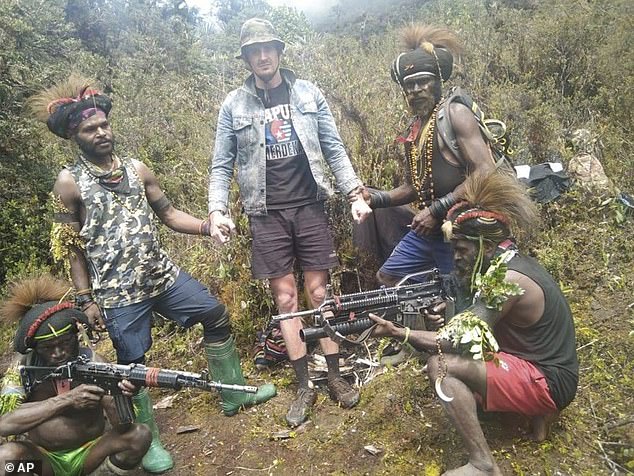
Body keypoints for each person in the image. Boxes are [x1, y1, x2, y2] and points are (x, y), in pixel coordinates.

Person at [29, 75, 276, 473]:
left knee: (214, 313)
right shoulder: (69, 183)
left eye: (104, 125)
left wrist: (208, 226)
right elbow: (71, 249)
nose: (101, 133)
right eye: (91, 130)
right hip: (118, 293)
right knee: (133, 367)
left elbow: (169, 214)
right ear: (75, 136)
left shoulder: (137, 168)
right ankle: (148, 442)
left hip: (161, 276)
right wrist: (85, 300)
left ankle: (234, 395)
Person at [207, 18, 373, 428]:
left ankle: (334, 374)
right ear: (246, 58)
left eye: (269, 48)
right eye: (254, 51)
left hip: (309, 206)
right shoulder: (234, 105)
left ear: (280, 52)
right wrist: (216, 210)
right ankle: (304, 385)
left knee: (320, 292)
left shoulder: (307, 93)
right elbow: (220, 165)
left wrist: (354, 194)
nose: (262, 56)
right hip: (266, 214)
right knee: (285, 301)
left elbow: (334, 148)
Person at [369, 171, 579, 475]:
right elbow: (475, 329)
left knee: (441, 366)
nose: (455, 258)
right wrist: (445, 316)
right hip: (543, 369)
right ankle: (536, 415)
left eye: (461, 250)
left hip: (549, 382)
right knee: (457, 363)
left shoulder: (507, 279)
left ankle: (483, 464)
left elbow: (456, 343)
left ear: (487, 248)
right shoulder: (506, 264)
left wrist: (399, 333)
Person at [362, 25, 495, 286]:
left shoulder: (455, 114)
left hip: (461, 227)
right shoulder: (414, 129)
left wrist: (436, 210)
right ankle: (425, 313)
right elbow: (413, 187)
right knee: (389, 278)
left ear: (437, 82)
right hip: (429, 228)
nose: (416, 90)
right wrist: (374, 200)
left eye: (423, 81)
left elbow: (486, 169)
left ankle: (443, 309)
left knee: (460, 291)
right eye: (409, 85)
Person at [0, 275, 152, 475]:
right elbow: (4, 424)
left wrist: (118, 396)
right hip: (43, 463)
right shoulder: (21, 370)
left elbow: (124, 428)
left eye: (65, 343)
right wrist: (66, 400)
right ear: (35, 348)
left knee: (139, 435)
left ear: (76, 336)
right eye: (48, 348)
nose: (58, 353)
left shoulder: (95, 363)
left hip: (91, 455)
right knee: (6, 459)